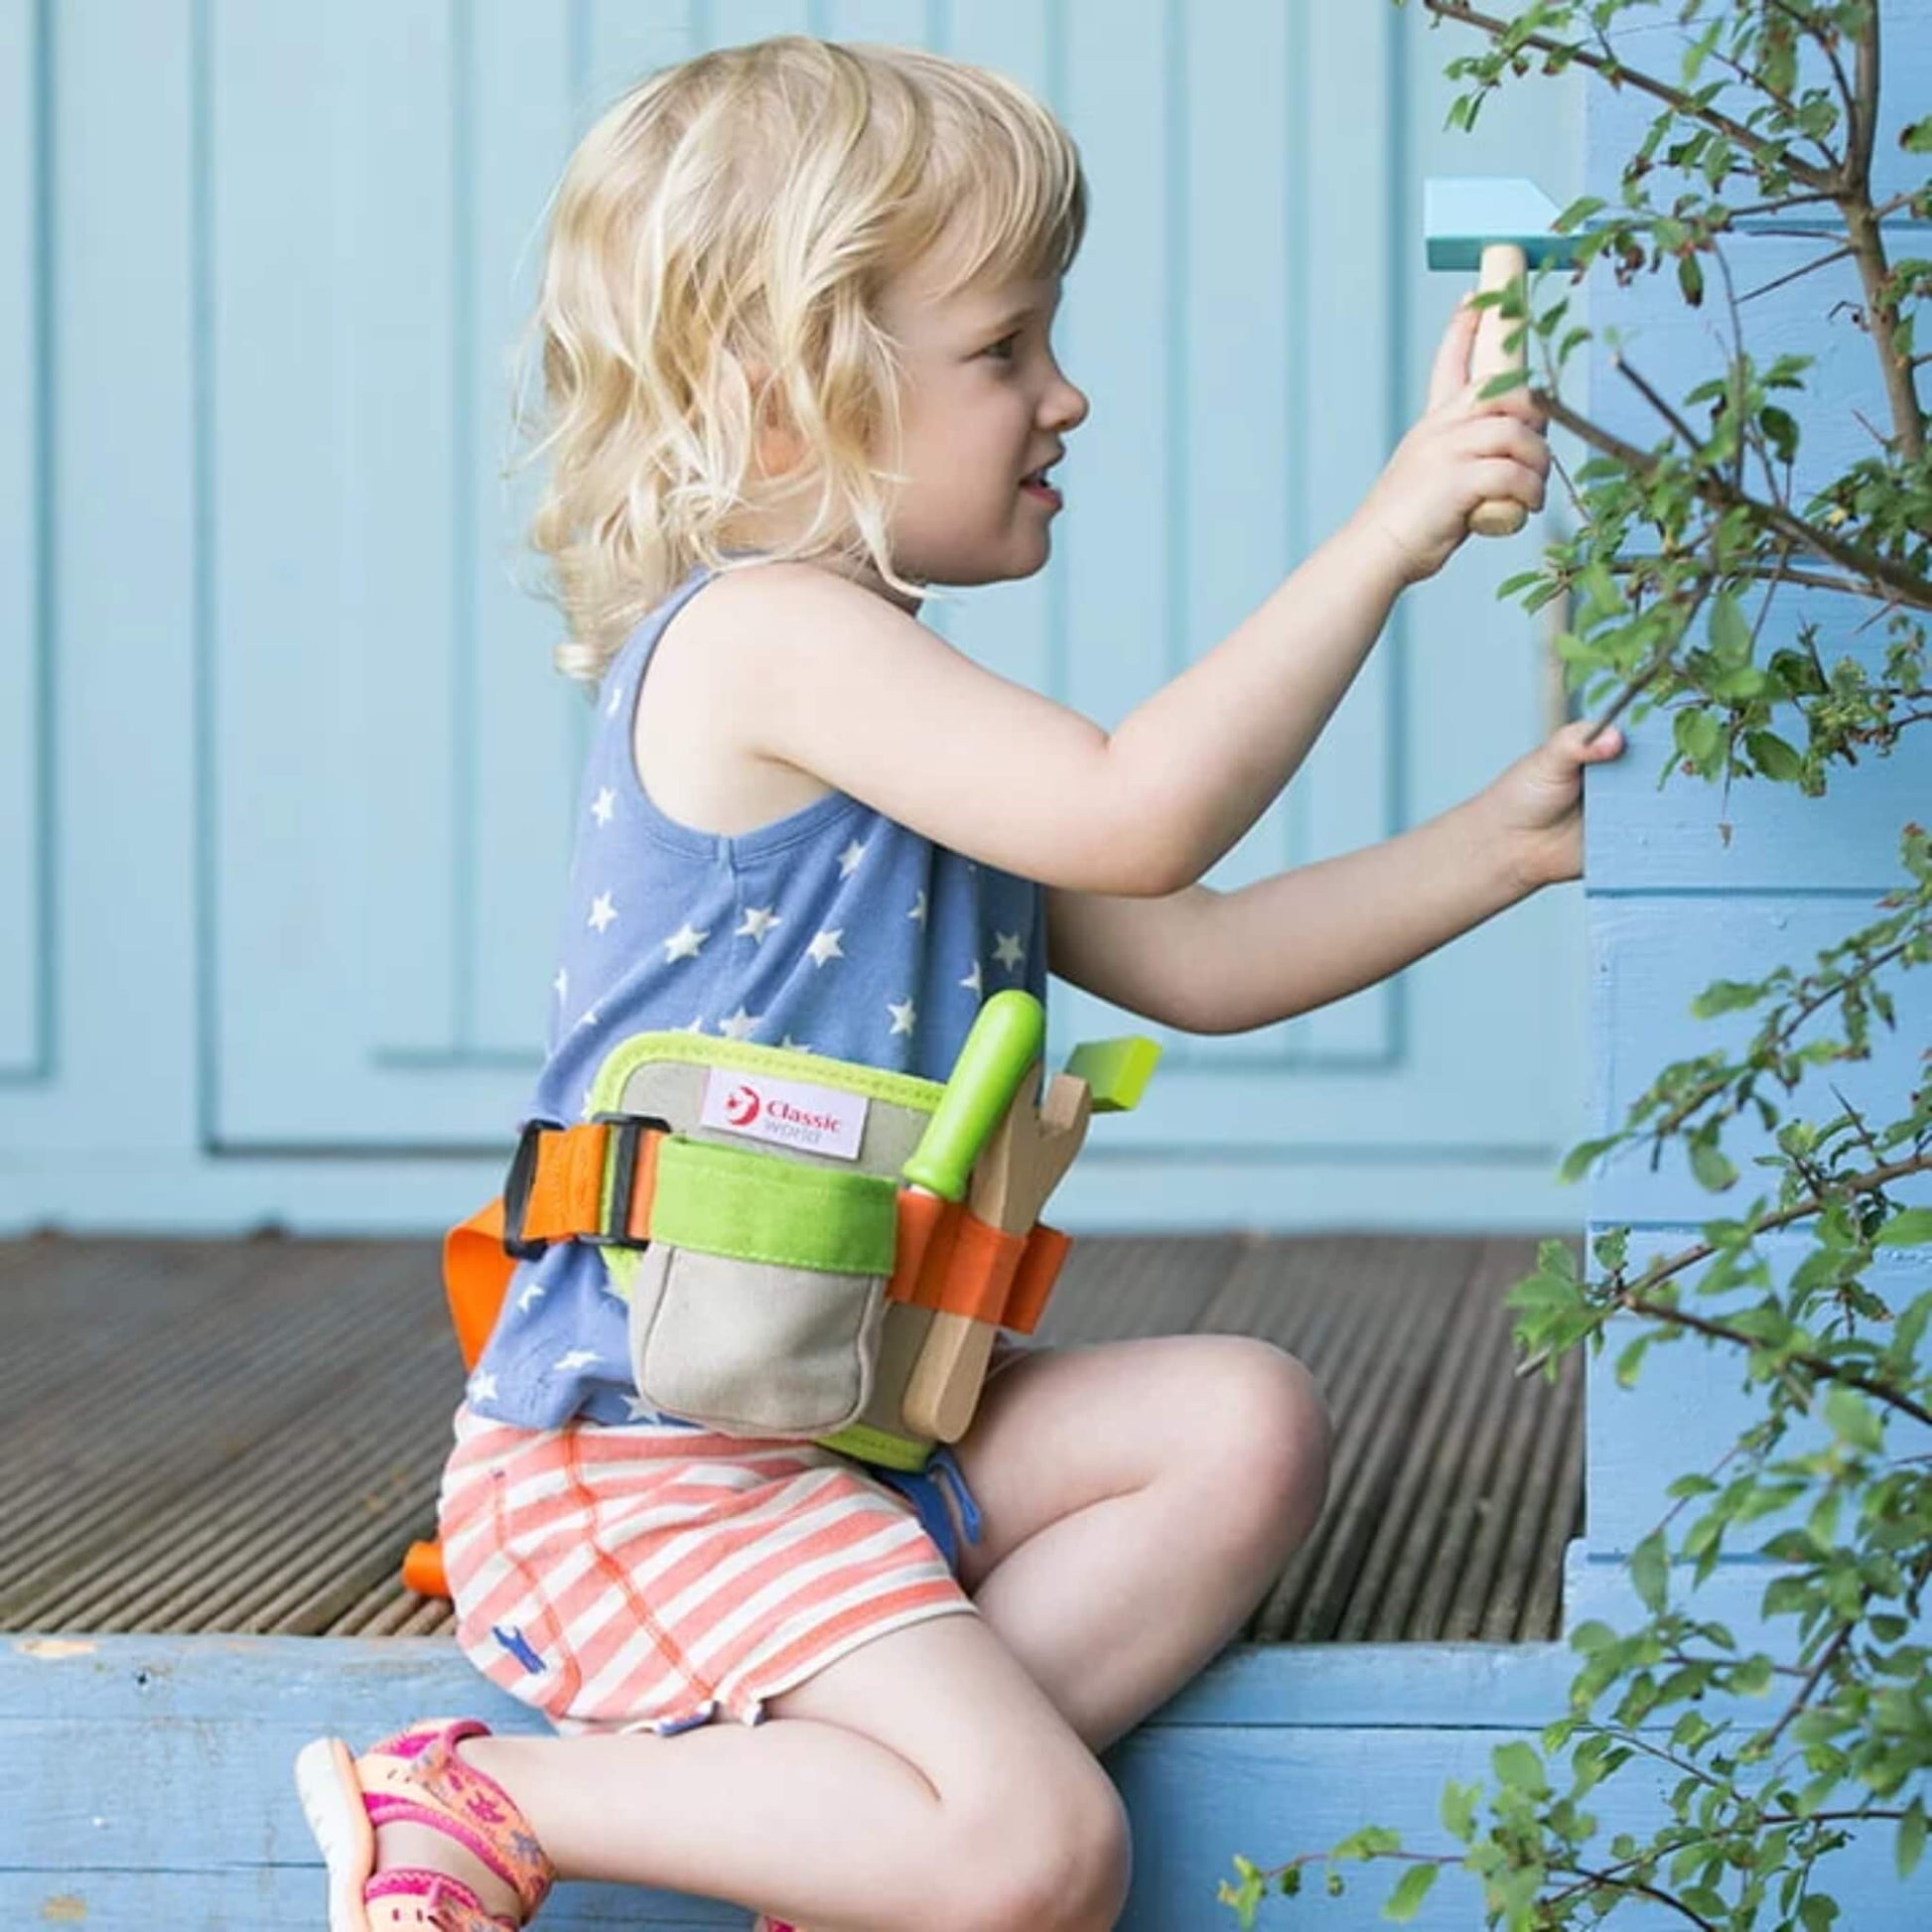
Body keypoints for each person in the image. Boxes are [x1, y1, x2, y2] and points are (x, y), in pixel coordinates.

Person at [295, 33, 1623, 1932]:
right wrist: (1391, 528)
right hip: (658, 1468)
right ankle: (481, 1796)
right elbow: (1143, 815)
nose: (1065, 395)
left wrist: (1501, 844)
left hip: (839, 1438)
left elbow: (1204, 957)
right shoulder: (768, 644)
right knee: (1044, 1853)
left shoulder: (897, 704)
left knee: (1241, 1415)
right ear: (784, 400)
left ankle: (840, 1847)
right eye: (1004, 350)